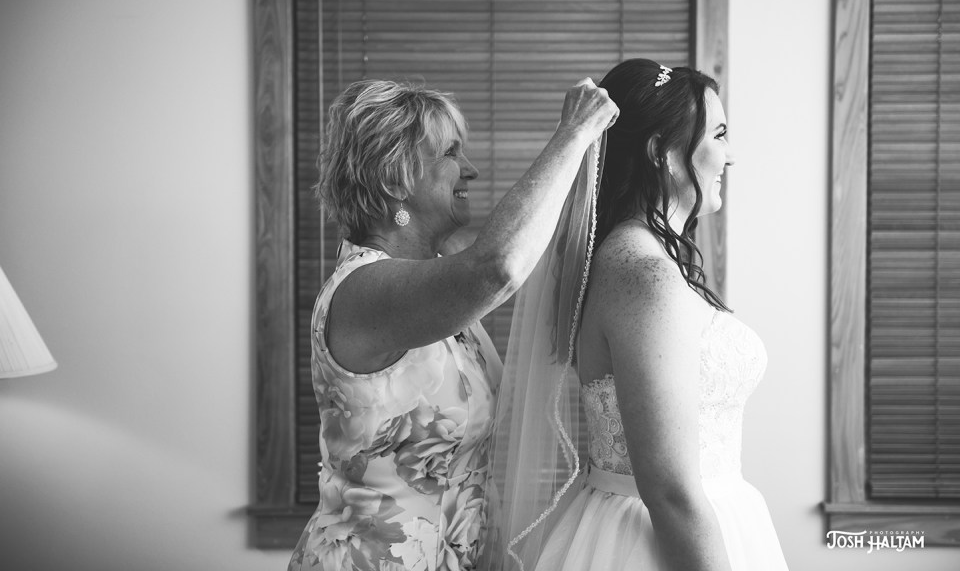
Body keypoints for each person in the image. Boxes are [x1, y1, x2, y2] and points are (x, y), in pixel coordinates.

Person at [287, 77, 618, 571]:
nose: (472, 169)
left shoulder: (435, 279)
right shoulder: (363, 292)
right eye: (450, 153)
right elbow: (498, 266)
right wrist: (573, 133)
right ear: (394, 179)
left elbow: (522, 247)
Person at [488, 58, 789, 571]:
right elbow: (670, 491)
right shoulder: (643, 275)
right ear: (662, 153)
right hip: (655, 541)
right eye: (719, 134)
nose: (730, 155)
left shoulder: (637, 261)